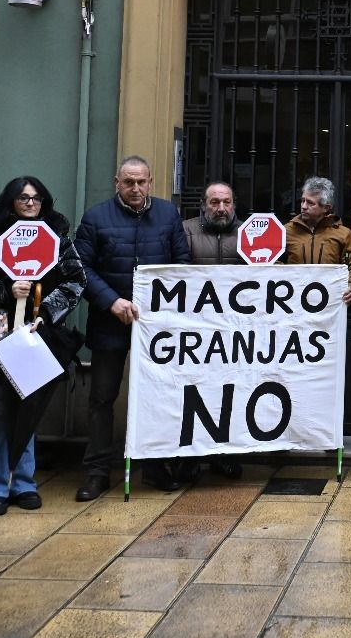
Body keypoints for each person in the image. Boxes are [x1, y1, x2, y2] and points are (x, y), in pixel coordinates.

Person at [0, 176, 85, 515]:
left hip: (38, 337)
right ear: (11, 200)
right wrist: (5, 291)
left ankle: (24, 483)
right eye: (23, 197)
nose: (30, 203)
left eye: (36, 198)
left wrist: (48, 312)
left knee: (30, 410)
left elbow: (75, 279)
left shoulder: (56, 237)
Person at [73, 155, 192, 501]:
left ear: (150, 182)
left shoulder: (168, 215)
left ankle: (154, 465)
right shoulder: (96, 217)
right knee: (102, 398)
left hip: (156, 328)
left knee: (156, 397)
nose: (135, 188)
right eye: (129, 182)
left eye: (141, 182)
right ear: (117, 183)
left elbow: (181, 263)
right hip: (110, 322)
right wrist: (111, 302)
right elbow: (81, 268)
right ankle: (97, 471)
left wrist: (164, 305)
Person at [179, 180, 245, 479]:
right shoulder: (185, 230)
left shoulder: (249, 233)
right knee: (192, 393)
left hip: (235, 332)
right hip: (196, 333)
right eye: (214, 202)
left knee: (230, 393)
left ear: (234, 204)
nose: (221, 208)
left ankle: (225, 455)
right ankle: (189, 457)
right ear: (203, 205)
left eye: (226, 202)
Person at [283, 177, 351, 304]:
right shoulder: (286, 231)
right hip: (292, 299)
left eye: (310, 203)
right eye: (302, 201)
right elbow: (274, 261)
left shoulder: (343, 234)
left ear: (326, 208)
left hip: (330, 301)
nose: (304, 206)